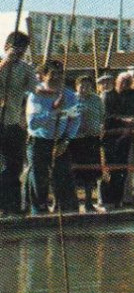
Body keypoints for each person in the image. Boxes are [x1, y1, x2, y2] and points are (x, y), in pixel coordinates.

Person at [26, 60, 79, 214]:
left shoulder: (69, 95)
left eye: (59, 74)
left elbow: (75, 120)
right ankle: (39, 211)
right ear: (43, 76)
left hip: (60, 142)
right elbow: (33, 124)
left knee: (63, 176)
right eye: (52, 74)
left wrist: (67, 140)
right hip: (39, 141)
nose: (56, 77)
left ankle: (65, 210)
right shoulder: (35, 96)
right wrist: (53, 110)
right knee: (39, 178)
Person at [0, 32, 38, 216]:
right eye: (17, 49)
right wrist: (4, 64)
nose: (20, 54)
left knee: (14, 166)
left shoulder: (25, 68)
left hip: (12, 123)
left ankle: (12, 206)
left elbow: (35, 90)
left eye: (23, 50)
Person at [102, 70, 134, 209]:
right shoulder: (108, 96)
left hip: (128, 138)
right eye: (122, 81)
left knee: (124, 170)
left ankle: (120, 199)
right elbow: (107, 116)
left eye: (128, 82)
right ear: (116, 82)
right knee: (109, 169)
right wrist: (124, 120)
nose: (124, 84)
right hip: (111, 138)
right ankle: (107, 200)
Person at [69, 75, 108, 211]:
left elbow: (102, 116)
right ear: (76, 86)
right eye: (82, 85)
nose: (84, 88)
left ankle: (88, 202)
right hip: (76, 140)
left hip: (92, 139)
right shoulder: (71, 99)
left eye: (87, 85)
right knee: (75, 172)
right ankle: (72, 202)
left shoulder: (96, 100)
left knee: (91, 173)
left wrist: (99, 129)